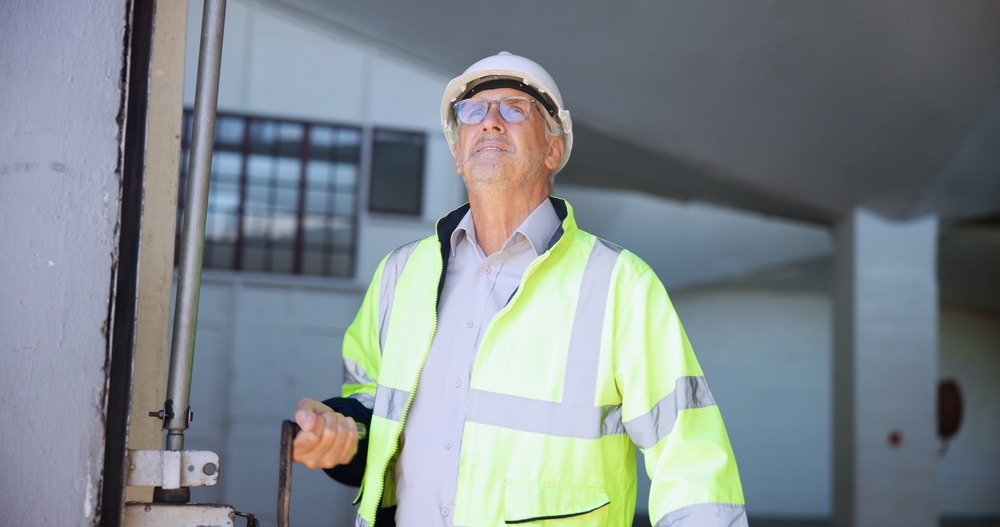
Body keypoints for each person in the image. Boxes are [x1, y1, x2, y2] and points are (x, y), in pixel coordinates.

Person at [291, 52, 747, 527]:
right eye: (473, 110)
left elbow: (691, 464)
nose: (489, 121)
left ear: (553, 150)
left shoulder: (620, 285)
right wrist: (342, 431)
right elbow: (373, 401)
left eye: (514, 108)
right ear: (457, 153)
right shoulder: (400, 273)